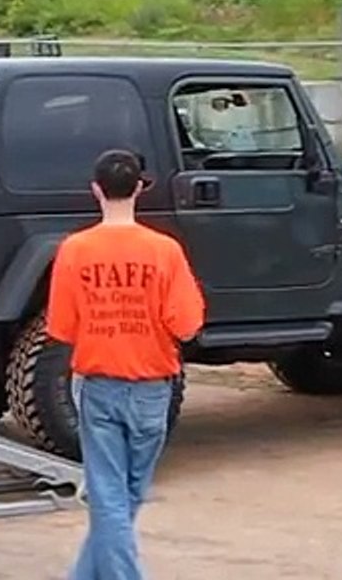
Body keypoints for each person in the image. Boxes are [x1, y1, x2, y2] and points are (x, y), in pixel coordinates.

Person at [46, 148, 206, 579]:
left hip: (99, 382)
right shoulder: (165, 251)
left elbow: (61, 328)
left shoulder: (74, 250)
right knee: (124, 494)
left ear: (96, 189)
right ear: (139, 187)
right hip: (153, 385)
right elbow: (188, 326)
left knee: (112, 496)